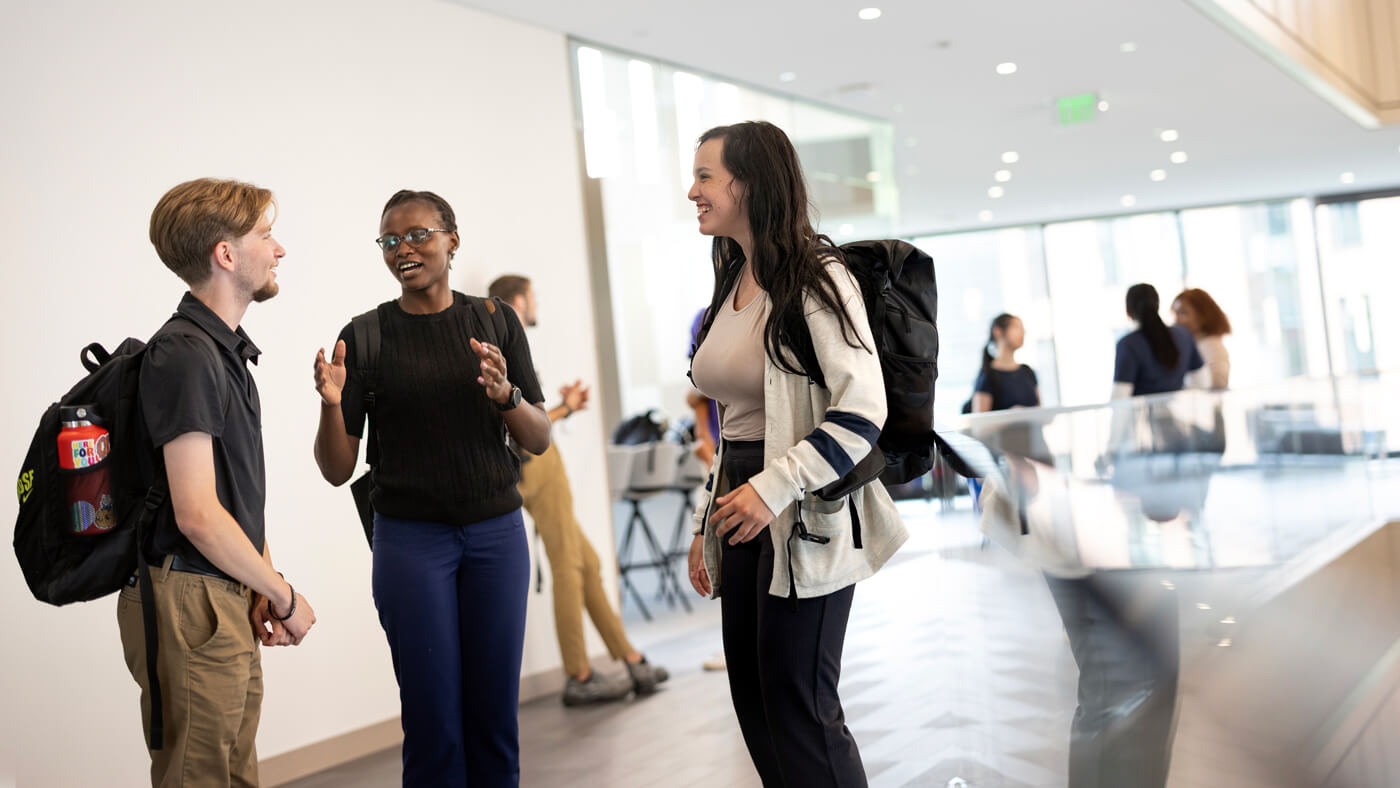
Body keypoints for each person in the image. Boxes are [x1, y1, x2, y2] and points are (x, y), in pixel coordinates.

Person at [684, 120, 908, 787]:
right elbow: (737, 421)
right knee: (754, 702)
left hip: (802, 509)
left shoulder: (815, 276)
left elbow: (863, 407)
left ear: (747, 184)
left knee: (801, 708)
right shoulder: (734, 278)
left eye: (704, 176)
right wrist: (709, 525)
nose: (690, 191)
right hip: (742, 502)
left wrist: (774, 487)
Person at [311, 190, 551, 787]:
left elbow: (539, 436)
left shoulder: (494, 320)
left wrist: (506, 396)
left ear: (452, 239)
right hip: (410, 544)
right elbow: (337, 468)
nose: (404, 250)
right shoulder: (365, 337)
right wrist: (332, 405)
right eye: (390, 241)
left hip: (496, 535)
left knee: (493, 717)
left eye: (418, 235)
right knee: (432, 720)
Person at [121, 177, 317, 787]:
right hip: (192, 599)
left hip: (221, 591)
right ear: (226, 255)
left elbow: (234, 497)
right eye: (266, 234)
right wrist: (283, 596)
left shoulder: (221, 351)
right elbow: (197, 514)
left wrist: (264, 579)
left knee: (233, 773)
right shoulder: (185, 355)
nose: (279, 249)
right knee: (200, 777)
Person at [486, 274, 670, 706]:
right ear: (517, 300)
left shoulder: (498, 343)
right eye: (532, 296)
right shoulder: (505, 342)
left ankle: (630, 657)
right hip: (537, 466)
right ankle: (580, 675)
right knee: (569, 564)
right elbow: (516, 412)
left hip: (530, 466)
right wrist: (566, 406)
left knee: (586, 562)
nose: (535, 304)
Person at [1113, 283, 1204, 399]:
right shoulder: (1184, 334)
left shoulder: (1128, 344)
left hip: (1144, 415)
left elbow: (1120, 398)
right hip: (1177, 414)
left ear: (1128, 311)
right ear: (1157, 305)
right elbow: (1203, 381)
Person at [971, 313, 1040, 413]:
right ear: (998, 331)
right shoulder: (988, 376)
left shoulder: (1027, 371)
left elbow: (1040, 412)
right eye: (1016, 327)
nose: (1023, 332)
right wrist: (1011, 416)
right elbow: (979, 423)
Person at [1171, 288, 1232, 390]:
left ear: (1202, 315)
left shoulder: (1212, 347)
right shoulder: (1194, 345)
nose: (1176, 320)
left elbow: (1217, 385)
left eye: (1183, 313)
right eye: (1175, 314)